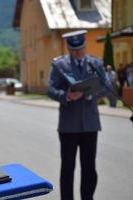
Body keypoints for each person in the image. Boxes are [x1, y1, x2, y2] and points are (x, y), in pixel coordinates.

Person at [48, 30, 109, 200]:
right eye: (74, 50)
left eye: (80, 49)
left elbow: (107, 86)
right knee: (68, 168)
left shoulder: (95, 64)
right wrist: (67, 96)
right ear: (68, 48)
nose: (77, 53)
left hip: (90, 124)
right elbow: (51, 89)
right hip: (68, 126)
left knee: (89, 167)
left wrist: (90, 95)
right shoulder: (59, 66)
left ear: (85, 46)